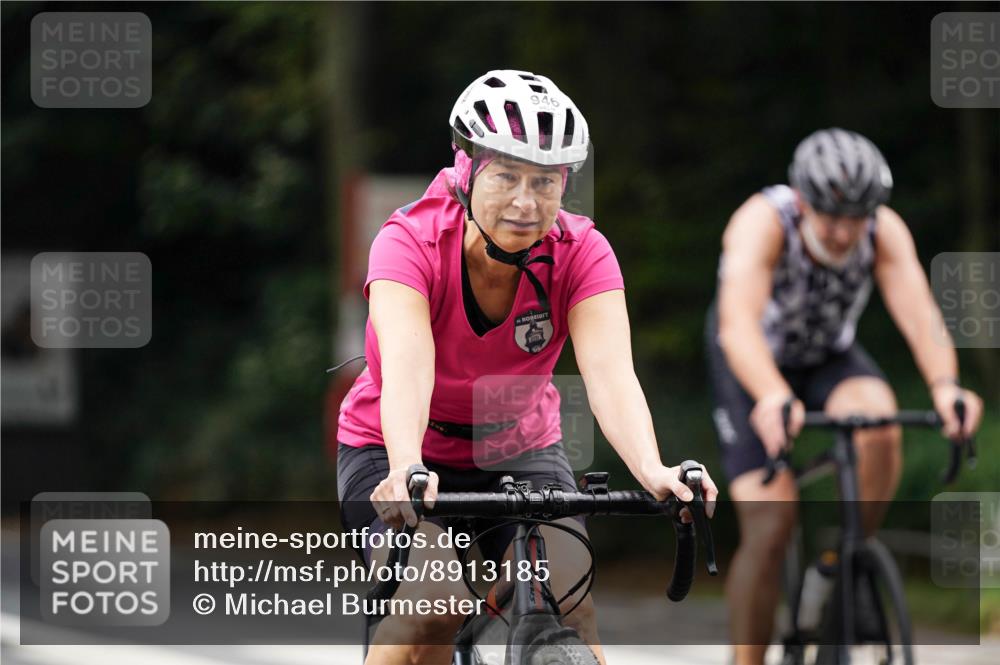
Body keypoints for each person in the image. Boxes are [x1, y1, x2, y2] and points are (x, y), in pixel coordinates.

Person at [336, 69, 718, 665]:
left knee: (571, 593)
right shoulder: (407, 242)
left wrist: (653, 469)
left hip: (517, 449)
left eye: (545, 182)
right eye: (507, 176)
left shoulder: (582, 251)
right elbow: (408, 369)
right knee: (432, 604)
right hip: (393, 449)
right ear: (465, 168)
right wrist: (407, 464)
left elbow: (612, 375)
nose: (525, 201)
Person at [706, 127, 985, 665]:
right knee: (771, 524)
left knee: (879, 424)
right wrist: (770, 394)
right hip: (752, 362)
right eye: (831, 217)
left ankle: (845, 563)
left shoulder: (884, 232)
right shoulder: (762, 222)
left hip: (828, 356)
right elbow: (736, 325)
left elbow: (920, 314)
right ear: (804, 200)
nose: (841, 233)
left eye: (855, 218)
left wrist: (946, 387)